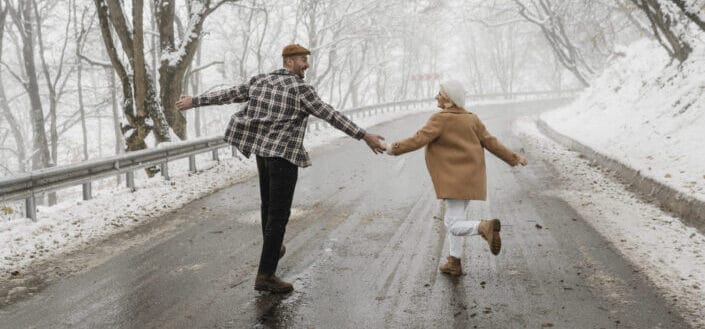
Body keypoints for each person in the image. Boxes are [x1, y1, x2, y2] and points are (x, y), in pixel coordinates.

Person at [176, 44, 386, 293]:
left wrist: (195, 101)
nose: (306, 65)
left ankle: (273, 248)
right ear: (288, 62)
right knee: (278, 215)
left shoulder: (260, 81)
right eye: (301, 60)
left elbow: (230, 95)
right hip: (283, 157)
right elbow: (330, 115)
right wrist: (363, 135)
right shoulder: (300, 89)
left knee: (268, 207)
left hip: (263, 155)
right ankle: (265, 276)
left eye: (306, 60)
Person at [385, 80, 528, 276]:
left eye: (440, 93)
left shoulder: (440, 119)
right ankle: (454, 262)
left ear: (449, 99)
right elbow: (491, 142)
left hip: (453, 181)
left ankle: (484, 227)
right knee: (456, 219)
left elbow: (418, 139)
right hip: (471, 179)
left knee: (452, 225)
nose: (436, 96)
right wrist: (514, 157)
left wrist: (392, 148)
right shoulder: (472, 119)